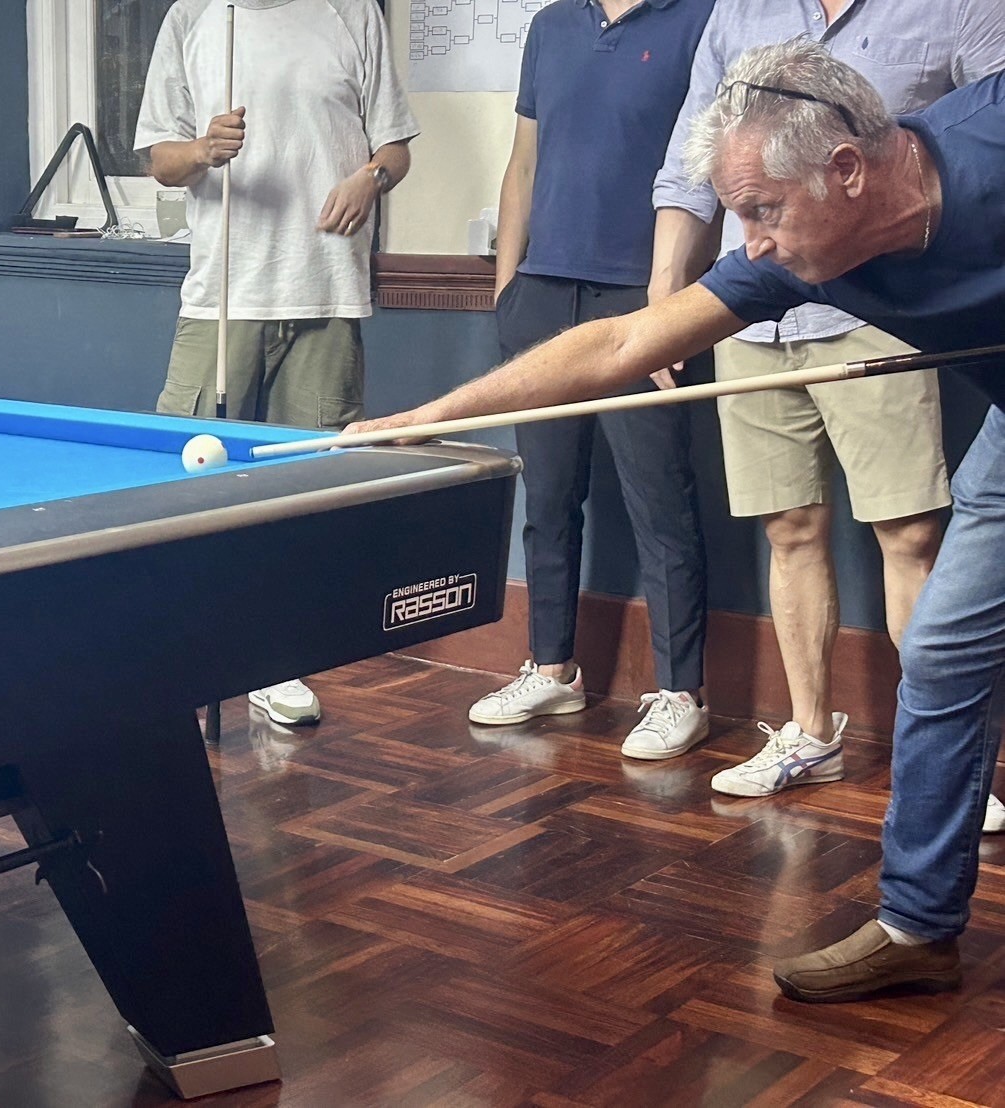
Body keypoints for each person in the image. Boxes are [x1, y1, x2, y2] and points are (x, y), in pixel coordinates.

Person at [347, 41, 1005, 1002]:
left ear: (848, 169)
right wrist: (438, 414)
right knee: (942, 653)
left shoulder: (992, 138)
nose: (753, 243)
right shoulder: (797, 256)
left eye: (762, 211)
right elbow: (621, 341)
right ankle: (917, 928)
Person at [650, 0, 1005, 821]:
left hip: (876, 310)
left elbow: (982, 130)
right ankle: (810, 735)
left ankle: (949, 768)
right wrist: (669, 294)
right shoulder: (738, 11)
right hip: (756, 312)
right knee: (788, 528)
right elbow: (687, 165)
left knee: (907, 534)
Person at [135, 0, 418, 726]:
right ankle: (180, 652)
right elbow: (160, 161)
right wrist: (203, 150)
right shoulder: (196, 17)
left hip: (327, 289)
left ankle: (273, 659)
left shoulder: (351, 13)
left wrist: (369, 179)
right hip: (224, 295)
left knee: (305, 488)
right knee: (187, 480)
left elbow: (394, 149)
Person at [466, 0, 715, 763]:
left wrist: (678, 302)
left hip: (642, 301)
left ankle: (680, 693)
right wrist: (509, 288)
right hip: (543, 295)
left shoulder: (702, 19)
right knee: (546, 498)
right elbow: (523, 164)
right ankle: (552, 670)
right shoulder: (550, 26)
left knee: (659, 502)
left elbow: (712, 166)